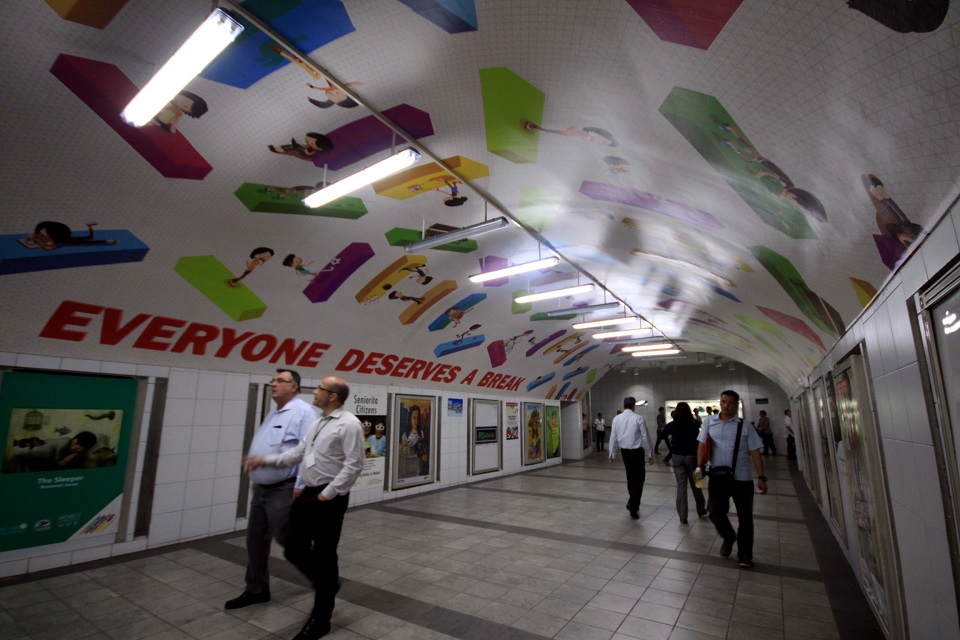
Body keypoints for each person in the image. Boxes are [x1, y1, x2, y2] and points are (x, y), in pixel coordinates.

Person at [243, 376, 364, 640]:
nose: (316, 391)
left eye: (321, 388)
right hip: (307, 495)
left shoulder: (349, 424)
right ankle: (328, 583)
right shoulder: (319, 423)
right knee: (293, 548)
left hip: (328, 498)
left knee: (324, 554)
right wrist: (266, 460)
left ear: (333, 396)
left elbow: (354, 465)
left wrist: (327, 494)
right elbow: (298, 453)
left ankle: (321, 619)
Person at [225, 369, 316, 611]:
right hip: (263, 490)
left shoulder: (303, 413)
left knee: (288, 539)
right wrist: (257, 477)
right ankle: (256, 589)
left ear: (294, 387)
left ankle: (323, 576)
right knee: (255, 539)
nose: (274, 384)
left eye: (280, 381)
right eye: (273, 381)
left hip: (284, 489)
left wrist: (300, 484)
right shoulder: (274, 412)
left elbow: (309, 452)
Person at [697, 390, 767, 568]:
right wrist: (699, 466)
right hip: (717, 476)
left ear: (737, 405)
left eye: (730, 402)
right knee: (715, 512)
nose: (726, 406)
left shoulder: (745, 426)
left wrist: (761, 476)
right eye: (723, 402)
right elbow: (702, 445)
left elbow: (755, 452)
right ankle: (729, 536)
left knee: (745, 517)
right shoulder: (709, 422)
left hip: (742, 478)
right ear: (719, 403)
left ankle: (745, 554)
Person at [608, 397, 654, 519]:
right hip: (637, 452)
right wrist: (650, 454)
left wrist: (612, 454)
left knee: (630, 477)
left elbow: (613, 436)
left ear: (624, 406)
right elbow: (646, 436)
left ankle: (632, 502)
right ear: (634, 406)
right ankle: (634, 506)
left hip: (625, 453)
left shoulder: (616, 419)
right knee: (640, 479)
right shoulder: (638, 418)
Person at [661, 403, 707, 524]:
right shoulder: (694, 424)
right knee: (697, 484)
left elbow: (662, 435)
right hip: (693, 458)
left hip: (677, 457)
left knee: (681, 486)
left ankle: (683, 516)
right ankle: (701, 509)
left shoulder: (672, 425)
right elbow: (700, 441)